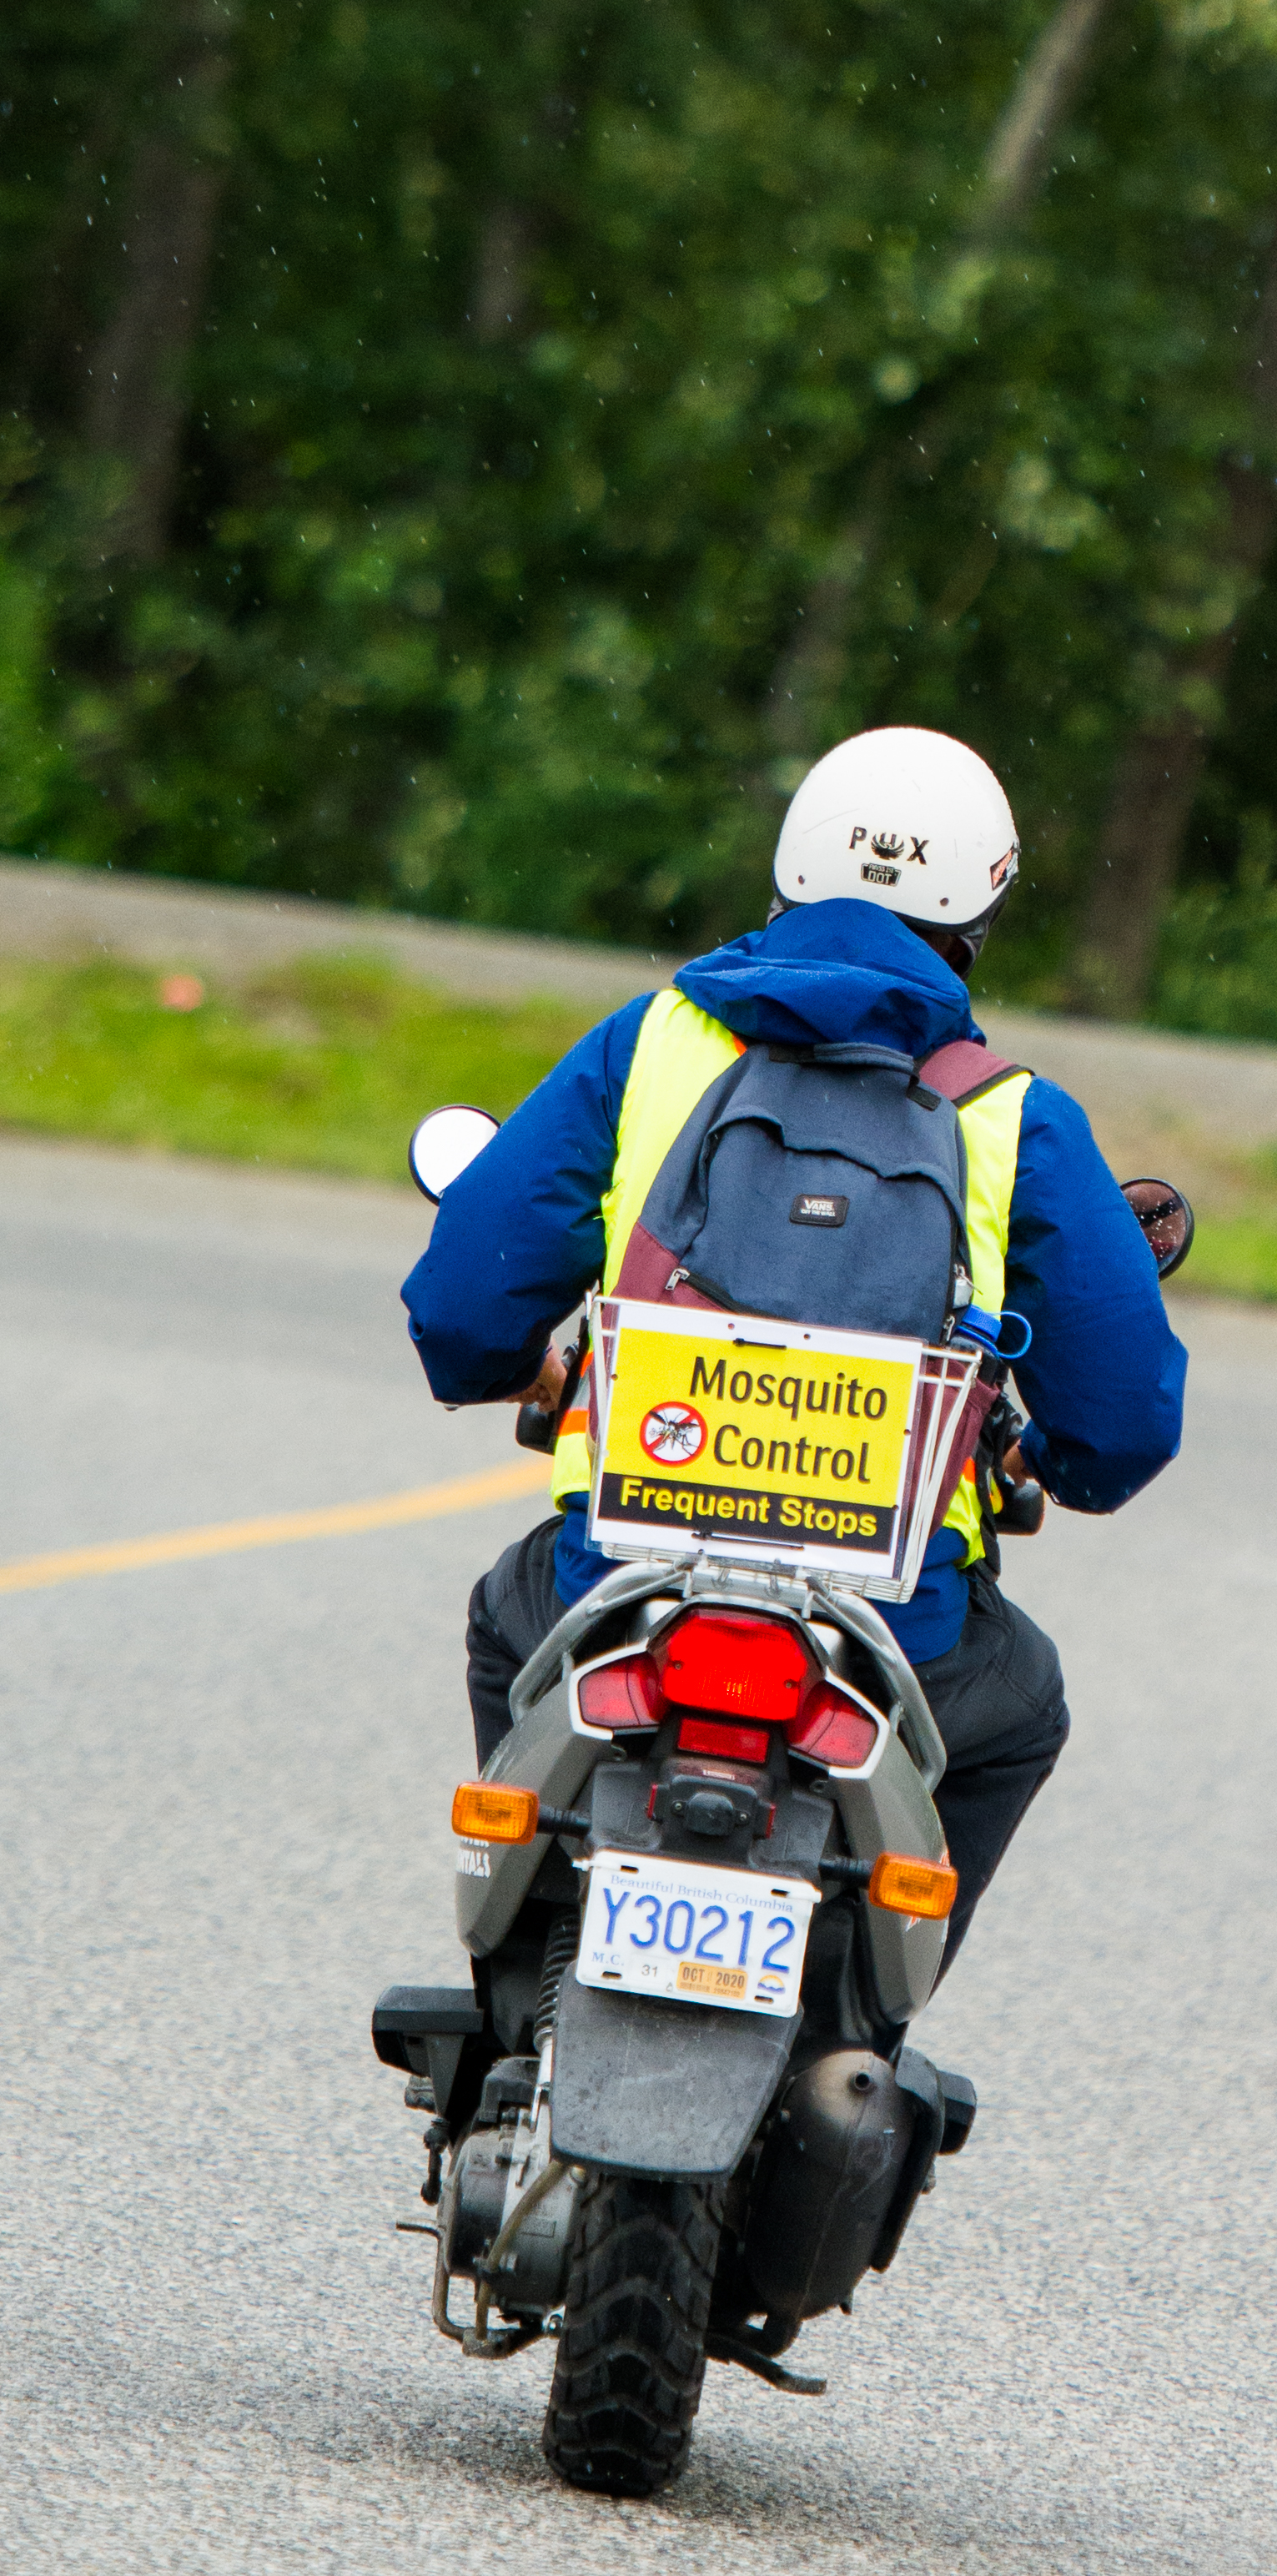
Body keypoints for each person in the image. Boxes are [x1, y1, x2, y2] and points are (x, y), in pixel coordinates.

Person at [402, 725, 1186, 1978]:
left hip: (623, 1573)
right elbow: (1124, 1423)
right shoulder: (1009, 1114)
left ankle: (529, 1956)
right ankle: (865, 2010)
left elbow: (463, 1305)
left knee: (511, 1616)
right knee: (1014, 1707)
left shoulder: (651, 1041)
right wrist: (1048, 1456)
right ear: (982, 903)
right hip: (896, 1619)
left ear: (789, 865)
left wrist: (523, 1372)